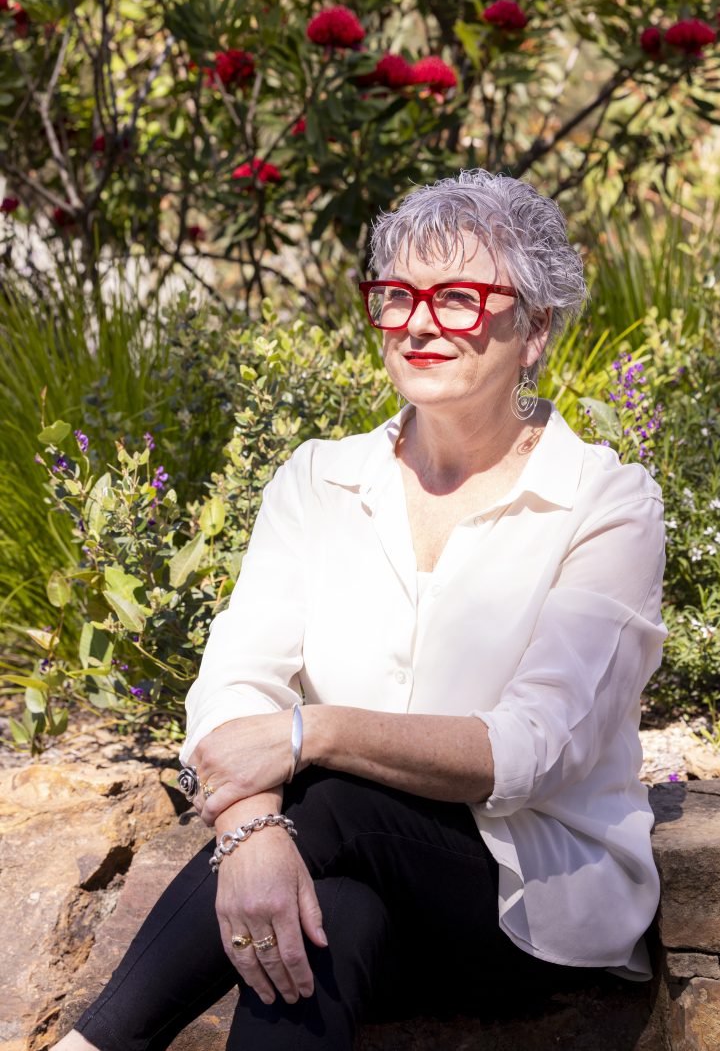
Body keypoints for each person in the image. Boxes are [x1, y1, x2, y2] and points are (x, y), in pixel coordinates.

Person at [56, 169, 666, 1051]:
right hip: (348, 870)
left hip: (527, 897)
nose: (417, 323)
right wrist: (252, 834)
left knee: (333, 792)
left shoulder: (604, 502)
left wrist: (314, 733)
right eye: (397, 295)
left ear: (533, 327)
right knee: (321, 921)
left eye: (456, 297)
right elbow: (234, 684)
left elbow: (530, 749)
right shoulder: (319, 479)